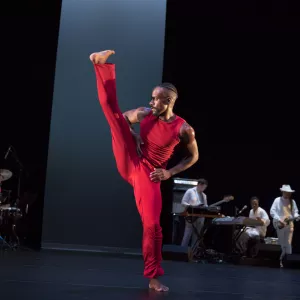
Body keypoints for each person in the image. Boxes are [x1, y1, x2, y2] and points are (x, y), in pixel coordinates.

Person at [89, 50, 199, 291]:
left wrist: (169, 172)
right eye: (151, 98)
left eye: (156, 99)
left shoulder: (184, 129)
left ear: (168, 101)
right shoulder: (145, 113)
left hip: (150, 175)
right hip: (131, 160)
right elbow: (124, 120)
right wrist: (134, 134)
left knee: (152, 226)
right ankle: (100, 65)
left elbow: (194, 156)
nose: (151, 102)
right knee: (113, 114)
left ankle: (153, 276)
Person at [270, 184, 300, 267]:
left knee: (288, 243)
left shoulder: (292, 202)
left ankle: (288, 261)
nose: (289, 194)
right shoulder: (277, 200)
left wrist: (297, 216)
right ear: (283, 192)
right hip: (280, 224)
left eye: (289, 192)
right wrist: (280, 219)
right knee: (282, 243)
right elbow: (272, 211)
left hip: (290, 224)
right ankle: (280, 261)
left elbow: (295, 212)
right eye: (287, 192)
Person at [181, 179, 208, 247]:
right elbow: (183, 202)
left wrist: (206, 207)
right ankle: (182, 252)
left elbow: (205, 206)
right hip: (191, 216)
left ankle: (194, 253)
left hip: (200, 217)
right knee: (187, 234)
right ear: (198, 185)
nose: (203, 189)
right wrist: (192, 207)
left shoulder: (204, 195)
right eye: (202, 187)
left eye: (204, 188)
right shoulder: (190, 191)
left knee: (197, 236)